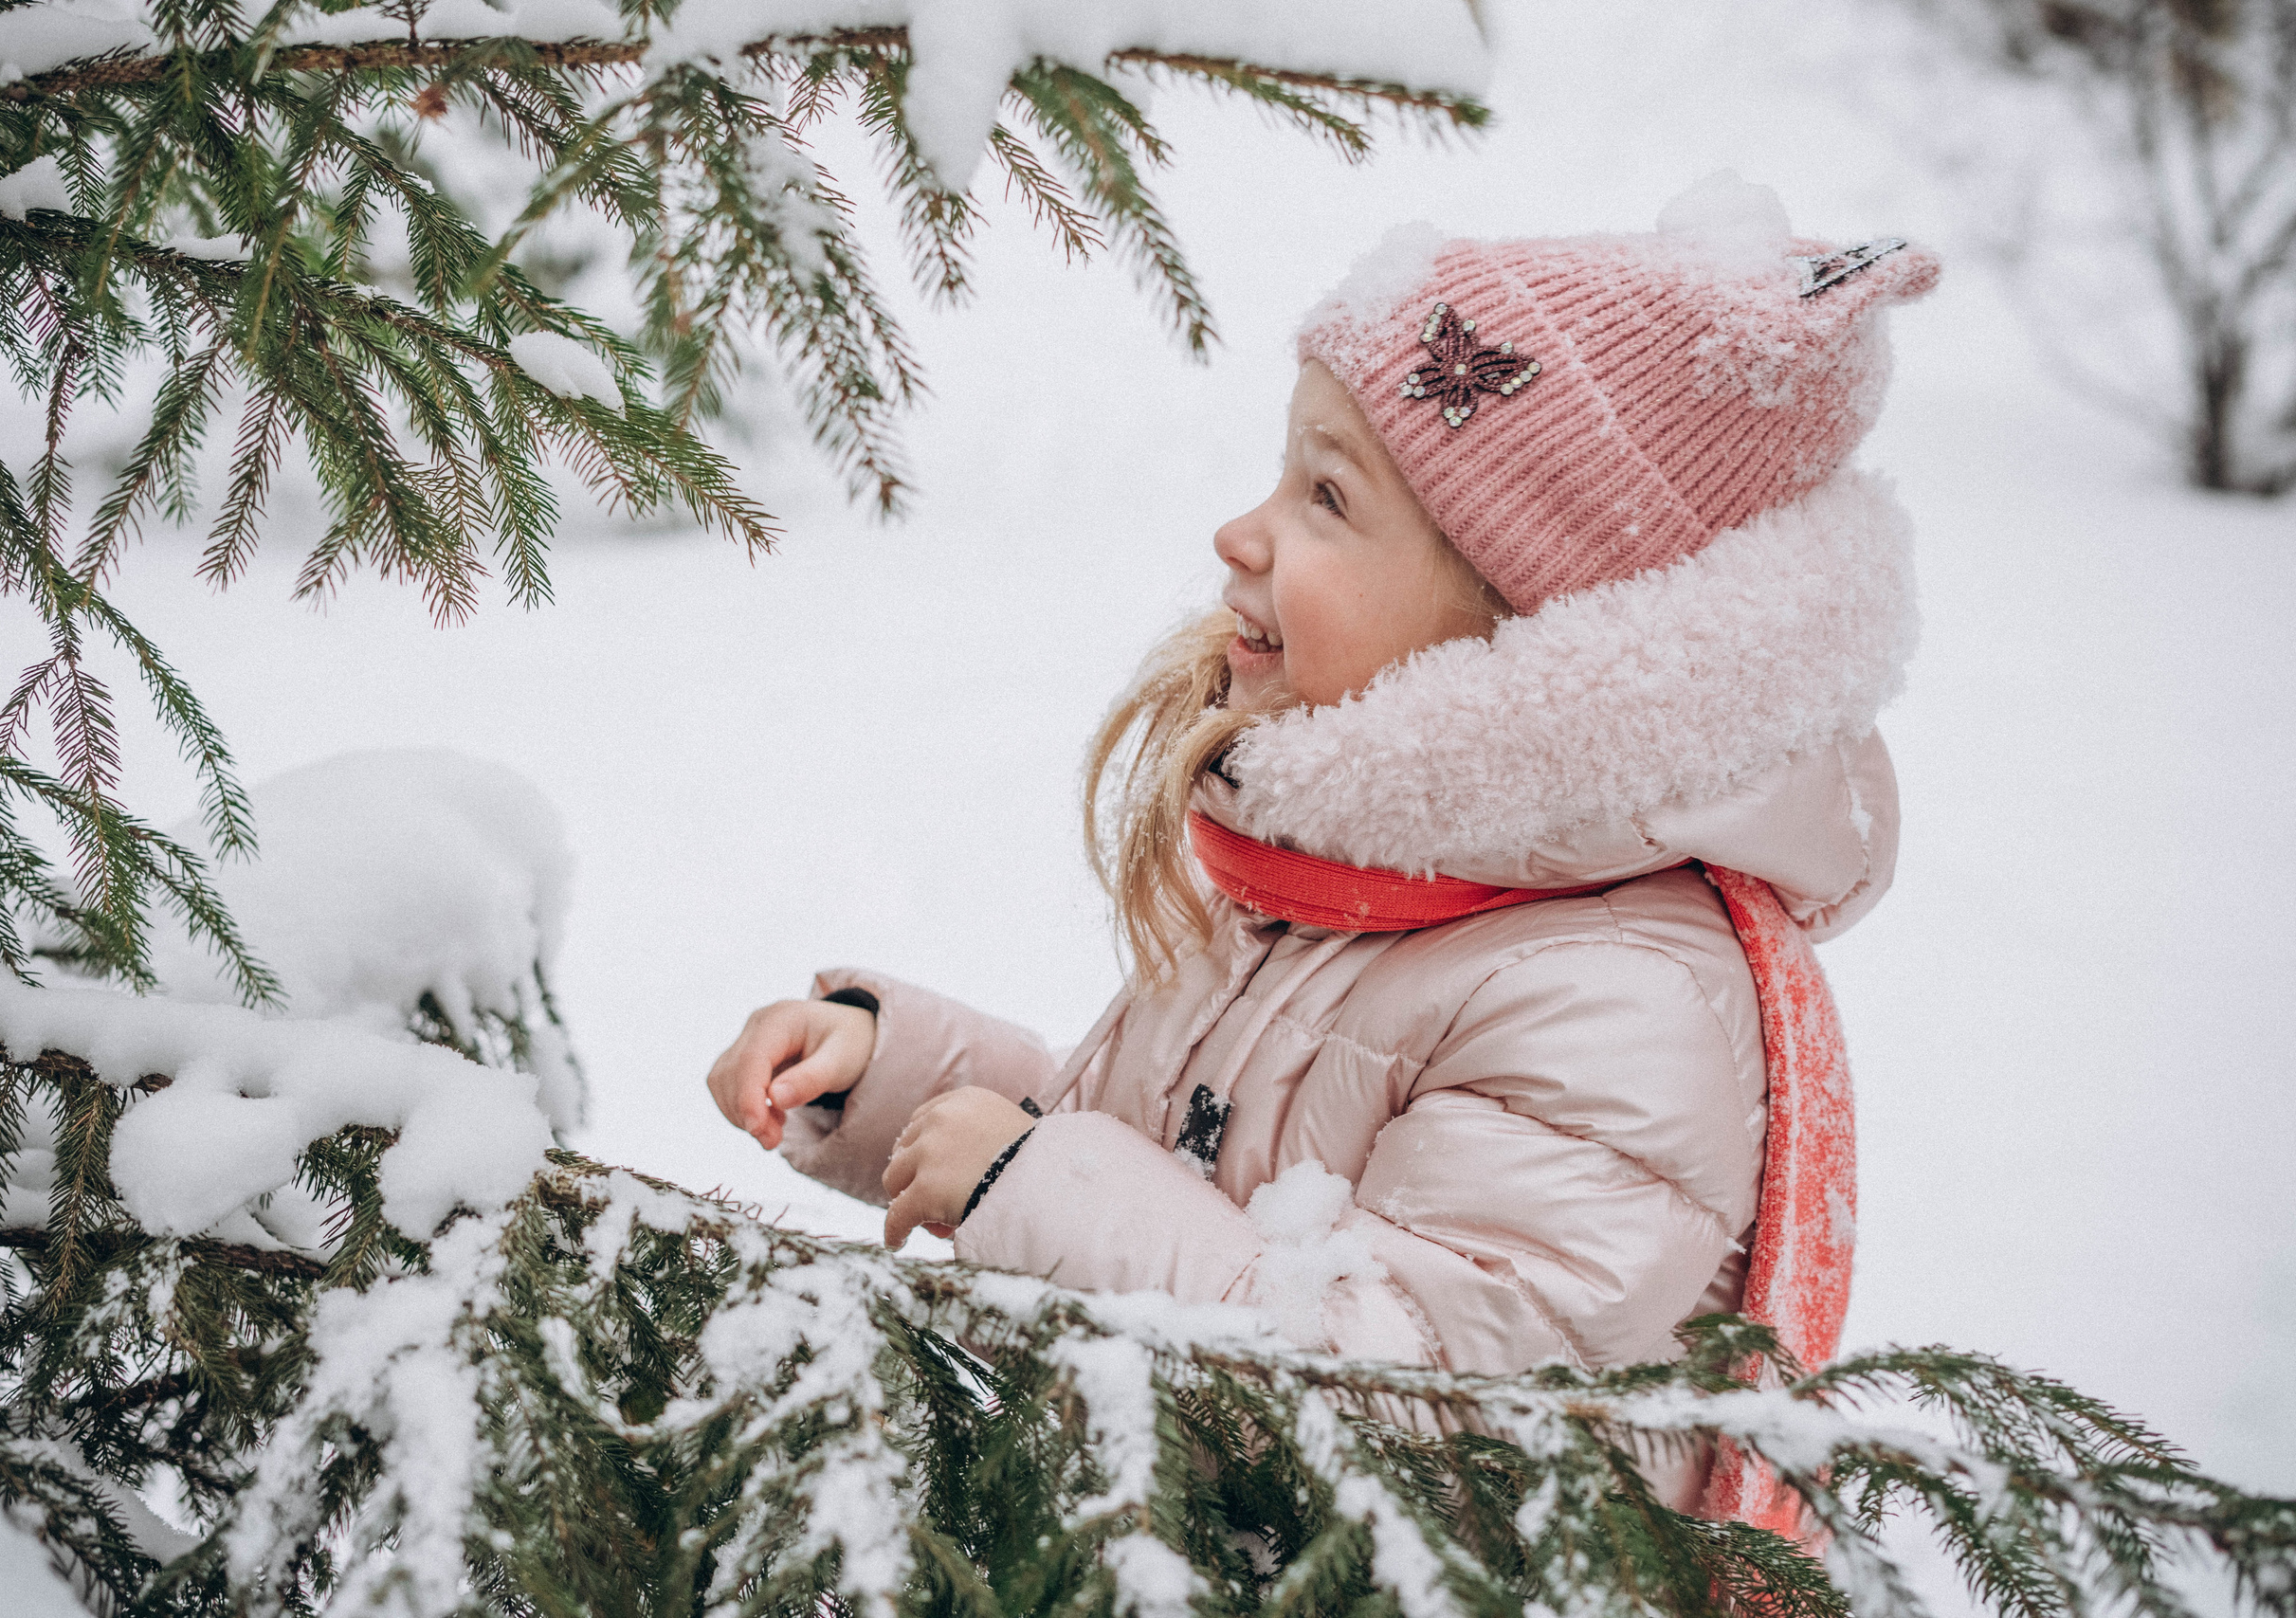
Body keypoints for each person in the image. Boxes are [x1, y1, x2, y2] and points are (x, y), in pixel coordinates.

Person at [705, 174, 1936, 1509]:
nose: (1240, 532)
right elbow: (1188, 1176)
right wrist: (895, 1081)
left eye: (1328, 501)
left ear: (1526, 626)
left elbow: (1404, 1413)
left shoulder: (1620, 1002)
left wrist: (1024, 1179)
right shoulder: (1348, 868)